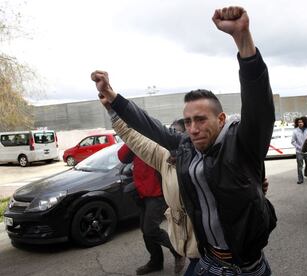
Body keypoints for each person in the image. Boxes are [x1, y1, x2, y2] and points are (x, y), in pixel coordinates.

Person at [92, 6, 276, 275]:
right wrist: (113, 98)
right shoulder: (183, 148)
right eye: (188, 121)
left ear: (221, 119)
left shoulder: (243, 145)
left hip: (245, 267)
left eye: (201, 119)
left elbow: (259, 103)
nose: (193, 128)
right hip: (206, 262)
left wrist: (242, 39)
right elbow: (147, 125)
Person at [117, 143, 185, 275]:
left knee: (150, 229)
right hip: (143, 192)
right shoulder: (135, 140)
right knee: (145, 230)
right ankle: (156, 262)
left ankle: (178, 252)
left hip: (157, 193)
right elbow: (123, 157)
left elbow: (171, 154)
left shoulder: (153, 138)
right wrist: (131, 139)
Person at [291, 116, 307, 184]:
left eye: (301, 122)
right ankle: (300, 179)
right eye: (299, 122)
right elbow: (293, 141)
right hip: (299, 152)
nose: (300, 123)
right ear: (297, 123)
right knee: (300, 166)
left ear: (304, 122)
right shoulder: (295, 131)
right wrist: (299, 147)